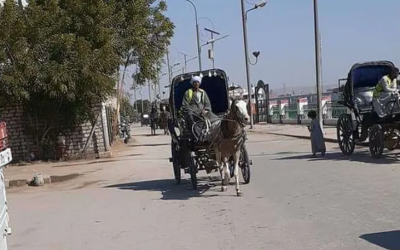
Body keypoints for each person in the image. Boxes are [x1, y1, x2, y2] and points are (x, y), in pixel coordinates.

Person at [180, 76, 214, 140]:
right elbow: (185, 105)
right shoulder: (188, 92)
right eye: (195, 82)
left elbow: (207, 103)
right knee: (190, 116)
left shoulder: (203, 92)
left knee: (212, 116)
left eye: (197, 82)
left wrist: (206, 110)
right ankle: (196, 135)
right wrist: (194, 111)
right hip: (192, 112)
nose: (196, 84)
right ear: (192, 83)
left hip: (203, 111)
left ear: (199, 83)